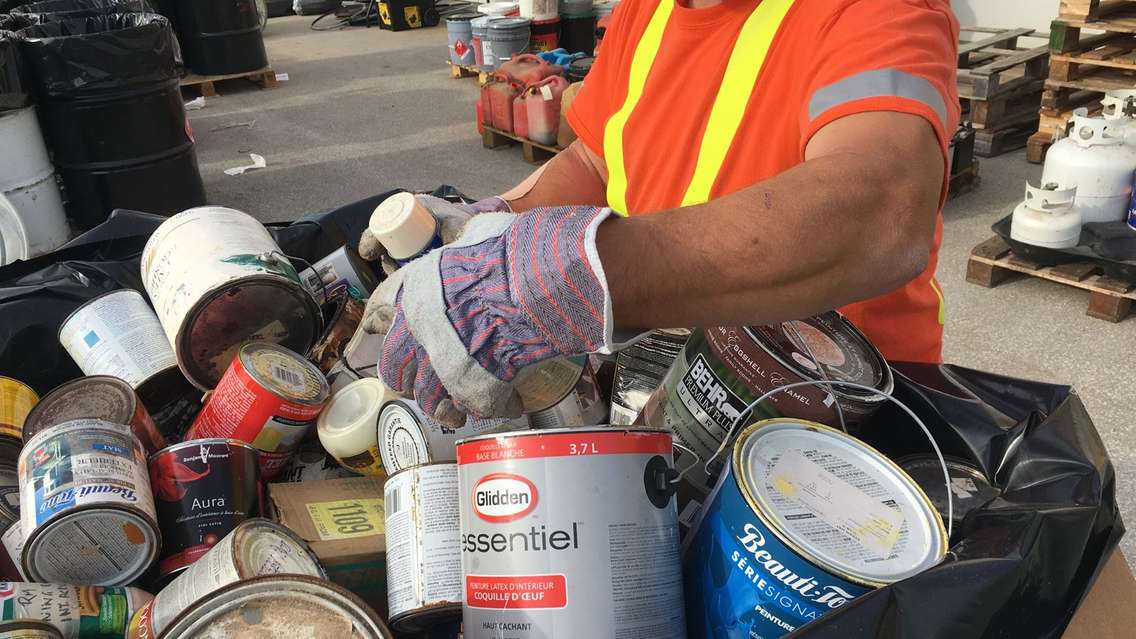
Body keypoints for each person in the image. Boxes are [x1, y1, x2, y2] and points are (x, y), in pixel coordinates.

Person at [359, 0, 959, 426]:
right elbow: (599, 158)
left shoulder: (877, 10)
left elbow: (878, 210)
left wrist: (559, 278)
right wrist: (489, 227)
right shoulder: (648, 10)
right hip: (671, 382)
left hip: (833, 411)